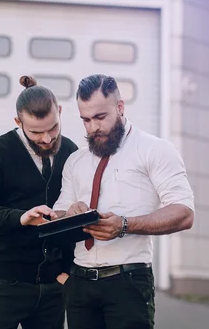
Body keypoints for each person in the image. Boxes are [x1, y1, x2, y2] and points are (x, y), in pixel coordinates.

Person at [52, 74, 195, 329]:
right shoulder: (75, 161)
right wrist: (69, 215)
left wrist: (125, 225)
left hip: (128, 282)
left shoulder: (154, 150)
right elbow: (58, 215)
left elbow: (184, 212)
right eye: (85, 120)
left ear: (119, 107)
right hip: (80, 285)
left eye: (100, 117)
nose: (93, 127)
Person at [0, 75, 79, 329]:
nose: (47, 139)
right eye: (36, 132)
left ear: (59, 112)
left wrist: (67, 272)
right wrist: (20, 217)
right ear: (18, 122)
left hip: (54, 286)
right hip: (6, 283)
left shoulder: (71, 152)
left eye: (53, 128)